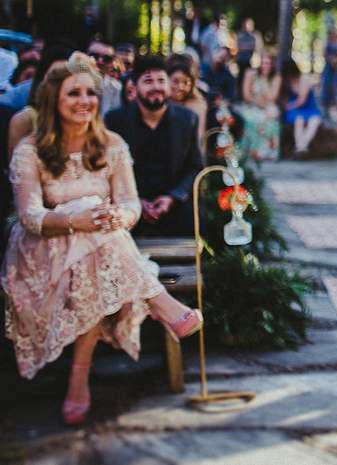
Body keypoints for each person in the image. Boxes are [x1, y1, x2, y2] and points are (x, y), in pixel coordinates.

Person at [2, 55, 202, 424]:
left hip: (96, 249)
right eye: (73, 93)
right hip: (41, 249)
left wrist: (118, 216)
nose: (85, 100)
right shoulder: (31, 149)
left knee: (98, 240)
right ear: (54, 101)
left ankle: (79, 378)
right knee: (92, 219)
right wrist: (74, 218)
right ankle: (160, 303)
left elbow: (130, 204)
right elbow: (29, 216)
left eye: (90, 93)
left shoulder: (112, 144)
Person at [104, 56, 205, 238]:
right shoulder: (116, 121)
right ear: (135, 88)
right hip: (128, 203)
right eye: (148, 81)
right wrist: (134, 201)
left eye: (161, 81)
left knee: (194, 221)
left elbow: (196, 167)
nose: (156, 87)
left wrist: (173, 198)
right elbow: (107, 169)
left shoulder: (187, 119)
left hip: (174, 204)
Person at [7, 41, 76, 162]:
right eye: (54, 76)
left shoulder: (82, 117)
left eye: (67, 76)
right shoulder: (24, 120)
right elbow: (15, 170)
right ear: (42, 79)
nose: (61, 82)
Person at [239, 50, 281, 162]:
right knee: (254, 118)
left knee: (271, 118)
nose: (265, 65)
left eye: (268, 63)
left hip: (268, 106)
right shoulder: (250, 74)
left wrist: (264, 79)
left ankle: (269, 153)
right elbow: (246, 95)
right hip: (252, 105)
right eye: (264, 62)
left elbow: (272, 97)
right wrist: (259, 102)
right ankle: (253, 152)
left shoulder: (276, 78)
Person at [282, 59, 322, 158]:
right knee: (298, 120)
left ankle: (300, 148)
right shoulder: (287, 81)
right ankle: (301, 149)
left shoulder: (304, 78)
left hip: (308, 107)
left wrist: (288, 106)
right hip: (294, 110)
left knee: (315, 121)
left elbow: (301, 101)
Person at [166, 54, 208, 145]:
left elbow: (198, 137)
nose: (180, 87)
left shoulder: (197, 105)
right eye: (175, 81)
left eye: (185, 83)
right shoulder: (160, 102)